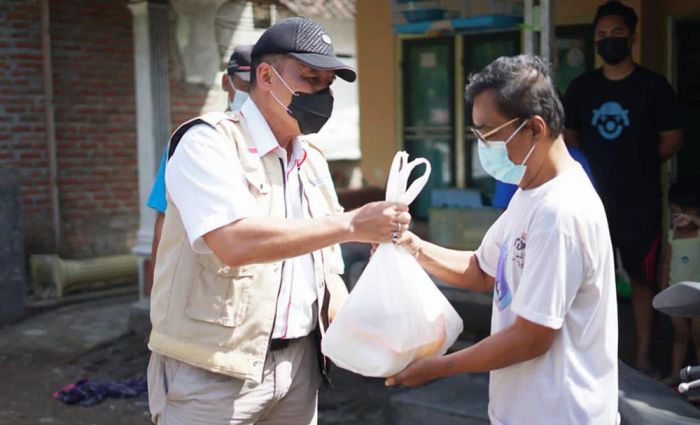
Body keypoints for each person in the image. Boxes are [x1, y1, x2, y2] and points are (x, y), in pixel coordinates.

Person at [146, 17, 411, 425]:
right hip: (211, 372)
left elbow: (325, 273)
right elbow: (234, 242)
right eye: (309, 77)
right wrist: (352, 224)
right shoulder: (208, 141)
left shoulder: (313, 162)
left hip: (299, 371)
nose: (321, 93)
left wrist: (379, 344)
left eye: (328, 83)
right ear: (266, 76)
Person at [386, 55, 619, 425]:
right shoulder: (529, 191)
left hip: (561, 414)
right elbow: (482, 269)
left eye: (489, 133)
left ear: (535, 129)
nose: (483, 146)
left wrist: (439, 367)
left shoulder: (560, 212)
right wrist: (411, 246)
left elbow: (531, 338)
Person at [563, 0, 683, 374]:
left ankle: (644, 356)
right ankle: (593, 357)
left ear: (631, 36)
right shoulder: (582, 88)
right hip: (590, 201)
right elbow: (569, 140)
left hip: (640, 202)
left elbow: (672, 139)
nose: (608, 40)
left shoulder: (654, 87)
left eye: (616, 34)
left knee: (642, 281)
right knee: (589, 281)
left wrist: (636, 166)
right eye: (601, 35)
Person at [145, 44, 254, 293]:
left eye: (259, 83)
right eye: (246, 83)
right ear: (227, 82)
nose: (253, 92)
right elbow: (164, 220)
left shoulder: (281, 143)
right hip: (203, 284)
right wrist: (156, 292)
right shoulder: (198, 139)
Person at [659, 178, 700, 386]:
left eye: (685, 212)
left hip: (696, 296)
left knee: (697, 334)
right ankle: (676, 373)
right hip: (676, 292)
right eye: (675, 212)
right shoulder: (673, 235)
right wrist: (663, 287)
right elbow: (667, 262)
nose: (680, 217)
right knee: (680, 334)